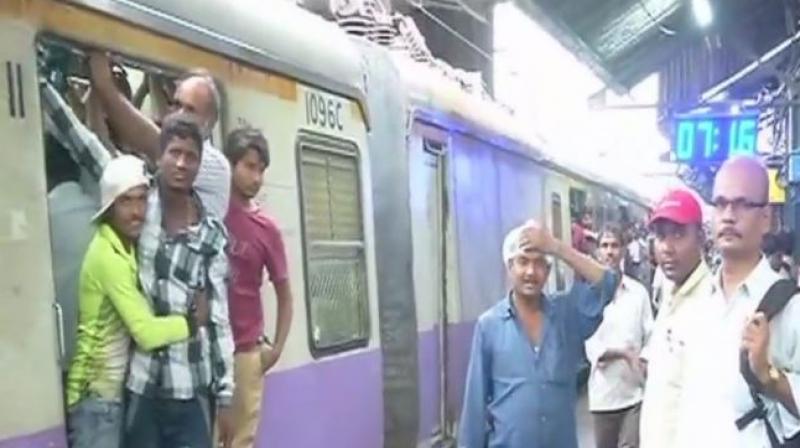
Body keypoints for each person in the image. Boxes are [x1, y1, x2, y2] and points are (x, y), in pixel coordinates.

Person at [66, 155, 208, 448]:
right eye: (125, 202)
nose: (136, 212)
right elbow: (145, 332)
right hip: (95, 400)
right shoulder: (108, 257)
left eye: (142, 200)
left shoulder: (124, 247)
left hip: (108, 398)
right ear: (109, 208)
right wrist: (192, 323)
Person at [121, 114, 235, 448]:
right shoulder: (139, 209)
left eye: (191, 156)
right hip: (142, 387)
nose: (182, 163)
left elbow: (218, 320)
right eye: (174, 153)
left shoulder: (211, 235)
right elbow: (89, 150)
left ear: (199, 166)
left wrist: (226, 395)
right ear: (160, 157)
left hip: (190, 392)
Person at [458, 220, 618, 448]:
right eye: (523, 262)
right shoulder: (489, 326)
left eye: (539, 263)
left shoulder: (566, 315)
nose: (531, 272)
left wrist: (555, 247)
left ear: (548, 270)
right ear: (509, 267)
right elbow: (475, 406)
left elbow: (607, 284)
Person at [676, 157, 800, 447]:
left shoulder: (788, 305)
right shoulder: (694, 299)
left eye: (742, 204)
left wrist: (769, 377)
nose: (728, 215)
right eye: (720, 203)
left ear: (766, 217)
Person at [88, 51, 231, 219]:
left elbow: (147, 137)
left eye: (190, 110)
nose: (179, 115)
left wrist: (105, 84)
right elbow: (107, 154)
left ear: (210, 120)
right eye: (176, 105)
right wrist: (96, 95)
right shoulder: (165, 165)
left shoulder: (215, 164)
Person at [223, 127, 293, 447]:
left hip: (246, 353)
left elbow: (284, 293)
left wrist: (275, 349)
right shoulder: (211, 211)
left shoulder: (267, 230)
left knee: (241, 439)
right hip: (209, 348)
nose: (256, 177)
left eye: (261, 169)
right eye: (249, 166)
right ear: (230, 164)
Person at [638, 189, 712, 448]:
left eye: (679, 234)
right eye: (660, 236)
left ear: (701, 238)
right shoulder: (670, 292)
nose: (667, 247)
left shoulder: (711, 304)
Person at [585, 225, 652, 448]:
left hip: (633, 395)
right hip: (602, 397)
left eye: (615, 245)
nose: (610, 251)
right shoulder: (587, 296)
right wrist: (623, 353)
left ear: (623, 250)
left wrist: (643, 360)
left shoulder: (638, 293)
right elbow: (591, 348)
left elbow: (650, 336)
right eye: (604, 246)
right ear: (597, 252)